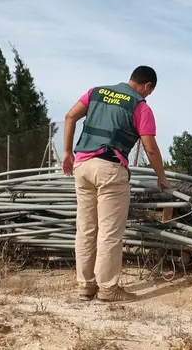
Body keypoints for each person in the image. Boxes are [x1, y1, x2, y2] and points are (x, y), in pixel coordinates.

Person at [62, 65, 172, 303]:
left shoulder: (96, 93)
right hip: (109, 169)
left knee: (86, 229)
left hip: (82, 166)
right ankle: (108, 290)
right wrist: (162, 177)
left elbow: (70, 116)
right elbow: (150, 148)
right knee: (110, 233)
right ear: (147, 86)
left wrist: (67, 152)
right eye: (149, 91)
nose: (148, 95)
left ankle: (85, 286)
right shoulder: (140, 106)